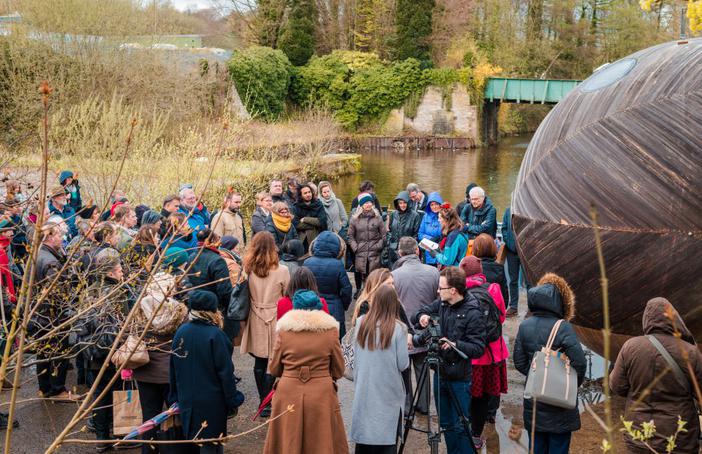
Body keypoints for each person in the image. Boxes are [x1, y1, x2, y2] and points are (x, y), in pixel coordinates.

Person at [611, 297, 702, 454]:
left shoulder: (630, 347)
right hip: (680, 438)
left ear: (647, 320)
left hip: (639, 436)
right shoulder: (691, 352)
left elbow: (617, 386)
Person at [263, 290, 348, 454]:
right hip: (321, 395)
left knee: (287, 440)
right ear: (318, 308)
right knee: (322, 442)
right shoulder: (330, 332)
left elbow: (274, 368)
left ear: (295, 308)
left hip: (288, 393)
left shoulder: (284, 332)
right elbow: (339, 370)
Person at [414, 267, 487, 454]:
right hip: (440, 373)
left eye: (441, 288)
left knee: (460, 425)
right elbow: (420, 311)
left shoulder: (473, 311)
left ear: (453, 290)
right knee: (445, 423)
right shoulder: (443, 303)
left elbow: (478, 348)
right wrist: (422, 316)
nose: (438, 291)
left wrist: (455, 345)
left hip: (460, 379)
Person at [513, 273, 586, 454]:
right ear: (560, 302)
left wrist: (536, 374)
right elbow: (580, 362)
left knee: (536, 448)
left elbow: (519, 361)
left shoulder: (525, 326)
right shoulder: (563, 327)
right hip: (560, 404)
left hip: (535, 401)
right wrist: (569, 383)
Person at [169, 290, 244, 454]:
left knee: (192, 444)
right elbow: (226, 374)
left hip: (187, 400)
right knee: (211, 445)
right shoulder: (216, 335)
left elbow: (174, 369)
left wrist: (174, 397)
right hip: (212, 403)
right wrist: (233, 399)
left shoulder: (180, 332)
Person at [77, 249, 132, 451]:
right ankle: (120, 434)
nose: (122, 273)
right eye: (119, 269)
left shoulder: (89, 290)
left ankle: (102, 438)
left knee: (99, 395)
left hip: (92, 352)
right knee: (117, 393)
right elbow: (123, 325)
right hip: (111, 351)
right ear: (110, 272)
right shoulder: (117, 293)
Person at [351, 284, 410, 454]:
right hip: (388, 387)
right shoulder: (399, 329)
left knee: (364, 434)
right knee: (386, 434)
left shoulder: (362, 322)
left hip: (364, 384)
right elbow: (403, 364)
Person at [133, 272, 188, 454]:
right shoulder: (179, 311)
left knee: (149, 416)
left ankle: (148, 451)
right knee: (175, 415)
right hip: (170, 370)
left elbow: (131, 336)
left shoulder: (139, 310)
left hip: (145, 370)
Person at [459, 256, 508, 449]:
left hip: (466, 351)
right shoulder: (493, 289)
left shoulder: (459, 291)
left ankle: (464, 429)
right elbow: (501, 317)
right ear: (480, 271)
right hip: (491, 352)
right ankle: (477, 435)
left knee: (466, 393)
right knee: (485, 395)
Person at [240, 232, 290, 417]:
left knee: (259, 360)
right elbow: (287, 295)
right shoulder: (282, 270)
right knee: (272, 360)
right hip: (275, 316)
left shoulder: (247, 268)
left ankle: (263, 400)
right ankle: (268, 402)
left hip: (255, 316)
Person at [392, 237, 439, 415]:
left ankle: (406, 407)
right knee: (423, 369)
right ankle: (424, 405)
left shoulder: (394, 276)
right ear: (418, 251)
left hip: (401, 331)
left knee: (403, 370)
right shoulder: (433, 272)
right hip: (425, 329)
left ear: (400, 253)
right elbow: (437, 302)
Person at [34, 222, 74, 401]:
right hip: (51, 317)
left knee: (43, 353)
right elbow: (56, 294)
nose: (62, 238)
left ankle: (45, 388)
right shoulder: (50, 261)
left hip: (39, 315)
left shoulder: (37, 255)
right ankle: (57, 390)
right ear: (49, 237)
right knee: (58, 353)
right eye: (58, 235)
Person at [304, 231, 353, 338]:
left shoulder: (307, 263)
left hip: (312, 307)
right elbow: (347, 289)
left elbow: (302, 288)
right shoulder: (338, 265)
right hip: (334, 310)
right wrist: (344, 305)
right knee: (335, 344)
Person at [187, 229, 233, 317]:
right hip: (213, 307)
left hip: (196, 304)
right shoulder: (217, 260)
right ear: (211, 241)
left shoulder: (191, 257)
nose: (220, 242)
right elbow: (224, 290)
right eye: (217, 238)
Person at [348, 193, 386, 284]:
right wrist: (355, 248)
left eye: (370, 202)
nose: (368, 204)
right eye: (365, 203)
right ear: (361, 205)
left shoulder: (378, 218)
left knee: (374, 277)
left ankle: (373, 295)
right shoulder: (354, 219)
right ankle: (363, 293)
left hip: (374, 252)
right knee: (363, 275)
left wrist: (378, 246)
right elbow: (350, 236)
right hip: (360, 252)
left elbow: (384, 235)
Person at [472, 233, 508, 307]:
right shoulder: (499, 268)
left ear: (475, 248)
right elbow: (504, 295)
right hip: (493, 310)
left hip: (474, 309)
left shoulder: (472, 266)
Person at [387, 191, 422, 264]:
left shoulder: (415, 216)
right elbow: (390, 230)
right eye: (400, 203)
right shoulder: (393, 214)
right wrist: (390, 243)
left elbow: (416, 234)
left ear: (408, 202)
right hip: (393, 249)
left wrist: (408, 248)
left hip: (407, 251)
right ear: (397, 204)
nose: (402, 205)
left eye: (404, 202)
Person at [292, 182, 328, 250]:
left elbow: (322, 221)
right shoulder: (296, 207)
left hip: (317, 237)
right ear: (301, 195)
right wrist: (314, 225)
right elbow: (296, 224)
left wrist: (306, 219)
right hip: (302, 239)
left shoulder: (318, 204)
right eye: (305, 193)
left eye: (309, 192)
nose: (308, 194)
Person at [502, 207, 521, 317]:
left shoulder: (527, 209)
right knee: (513, 280)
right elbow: (504, 227)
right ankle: (513, 307)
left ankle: (532, 308)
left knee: (529, 282)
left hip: (525, 252)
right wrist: (508, 241)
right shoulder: (508, 210)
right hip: (511, 251)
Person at [417, 192, 443, 266]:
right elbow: (420, 234)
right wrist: (431, 238)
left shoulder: (445, 216)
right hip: (428, 252)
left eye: (436, 204)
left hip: (441, 252)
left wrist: (438, 238)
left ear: (440, 204)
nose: (434, 207)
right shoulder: (426, 217)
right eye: (432, 205)